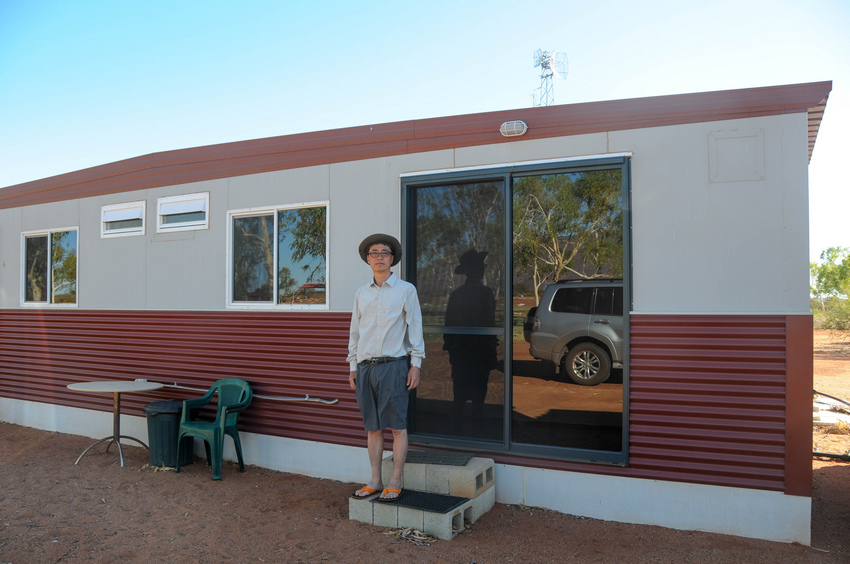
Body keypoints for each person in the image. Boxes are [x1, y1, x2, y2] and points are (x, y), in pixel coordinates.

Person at [348, 233, 424, 501]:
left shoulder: (406, 290)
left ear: (393, 259)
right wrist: (352, 366)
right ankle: (375, 480)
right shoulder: (361, 293)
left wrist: (415, 366)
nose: (379, 257)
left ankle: (396, 479)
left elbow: (415, 328)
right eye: (374, 253)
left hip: (394, 367)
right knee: (373, 427)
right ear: (367, 259)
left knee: (397, 426)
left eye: (384, 253)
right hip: (366, 368)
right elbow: (355, 332)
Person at [443, 249, 498, 434]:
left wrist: (452, 350)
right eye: (481, 266)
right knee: (478, 398)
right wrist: (491, 352)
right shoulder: (485, 293)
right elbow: (489, 324)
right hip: (478, 353)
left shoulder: (456, 294)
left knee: (459, 396)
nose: (483, 269)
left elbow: (448, 326)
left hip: (460, 353)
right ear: (475, 270)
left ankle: (456, 431)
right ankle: (476, 432)